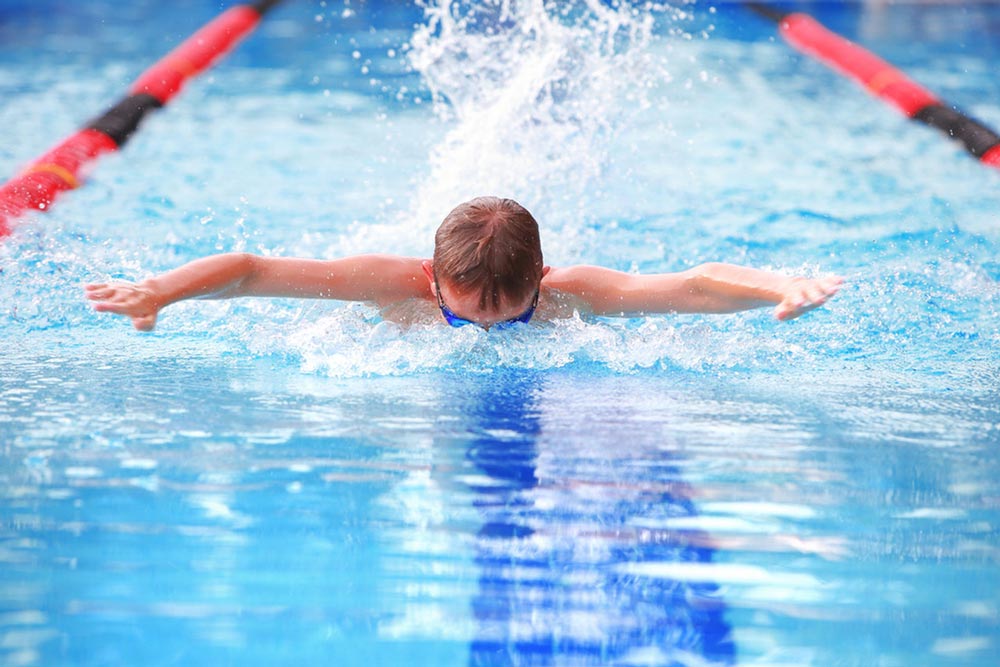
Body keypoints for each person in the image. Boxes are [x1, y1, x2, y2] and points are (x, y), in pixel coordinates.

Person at [86, 196, 842, 331]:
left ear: (539, 281)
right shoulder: (391, 283)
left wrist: (781, 282)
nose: (482, 331)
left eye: (506, 318)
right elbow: (254, 269)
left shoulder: (567, 296)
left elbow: (691, 286)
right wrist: (160, 291)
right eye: (460, 314)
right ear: (431, 277)